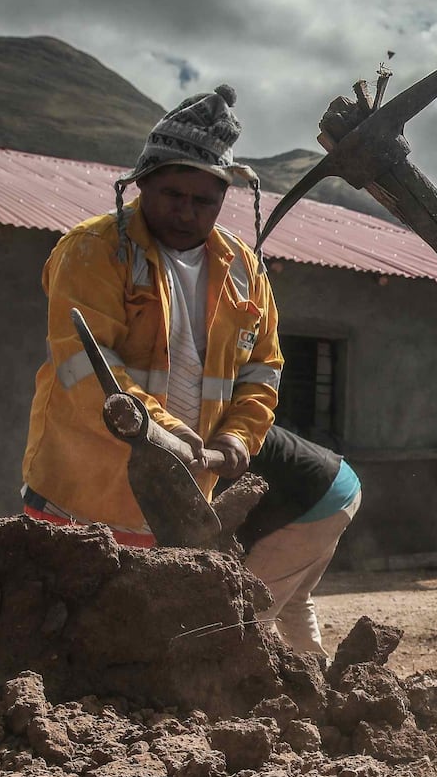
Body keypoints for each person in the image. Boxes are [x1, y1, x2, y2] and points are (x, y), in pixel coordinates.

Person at [21, 85, 284, 545]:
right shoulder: (96, 251)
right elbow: (85, 365)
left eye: (203, 201)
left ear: (224, 196)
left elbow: (263, 370)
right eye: (172, 194)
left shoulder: (244, 269)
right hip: (78, 503)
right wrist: (166, 432)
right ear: (142, 182)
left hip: (175, 511)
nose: (185, 212)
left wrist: (239, 439)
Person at [237, 426, 362, 658]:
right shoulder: (222, 417)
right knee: (293, 600)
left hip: (316, 497)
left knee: (247, 613)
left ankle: (255, 687)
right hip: (340, 485)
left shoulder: (207, 436)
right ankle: (316, 678)